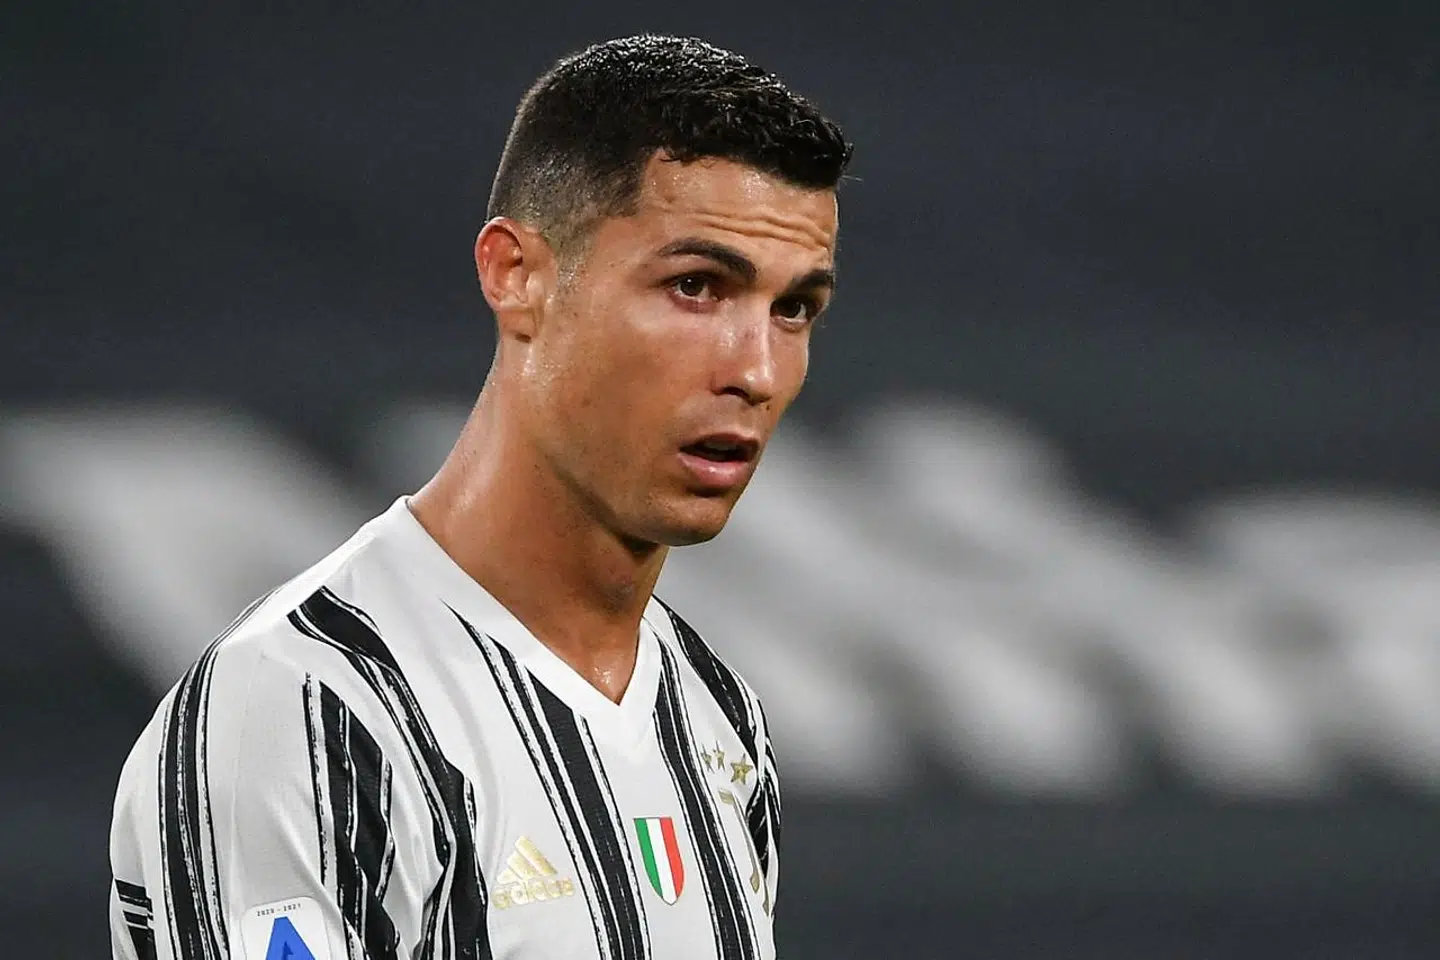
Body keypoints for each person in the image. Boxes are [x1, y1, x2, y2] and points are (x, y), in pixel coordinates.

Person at [109, 33, 850, 960]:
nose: (757, 368)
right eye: (696, 286)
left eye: (795, 309)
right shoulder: (307, 710)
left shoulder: (715, 719)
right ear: (517, 275)